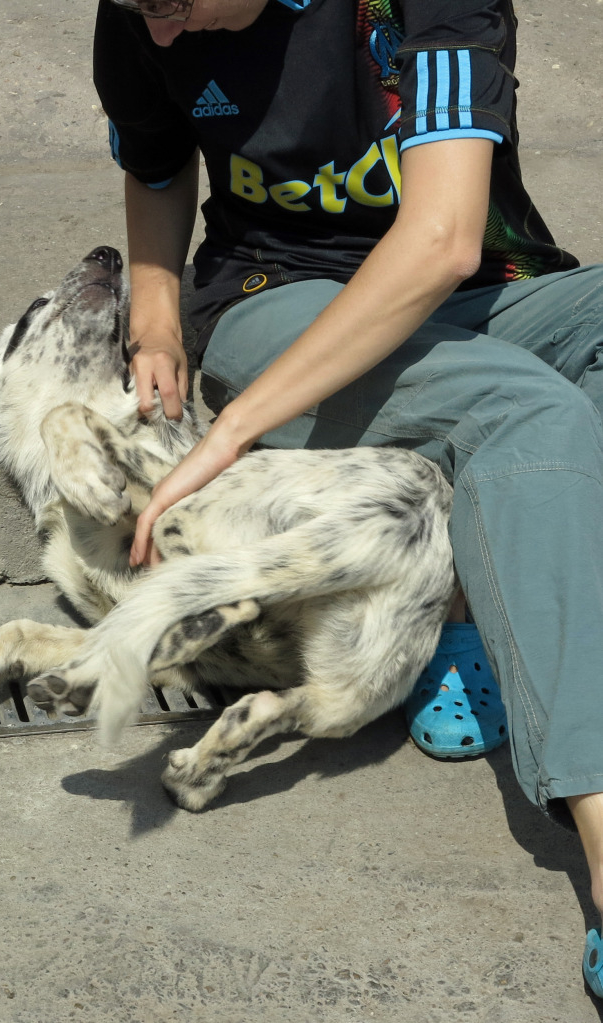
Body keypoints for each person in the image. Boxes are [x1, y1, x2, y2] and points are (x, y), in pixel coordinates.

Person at [93, 0, 603, 993]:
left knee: (553, 383)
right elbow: (155, 161)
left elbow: (444, 239)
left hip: (466, 290)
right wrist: (155, 315)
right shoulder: (139, 15)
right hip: (272, 306)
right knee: (530, 414)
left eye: (171, 7)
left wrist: (229, 438)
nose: (156, 33)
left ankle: (469, 604)